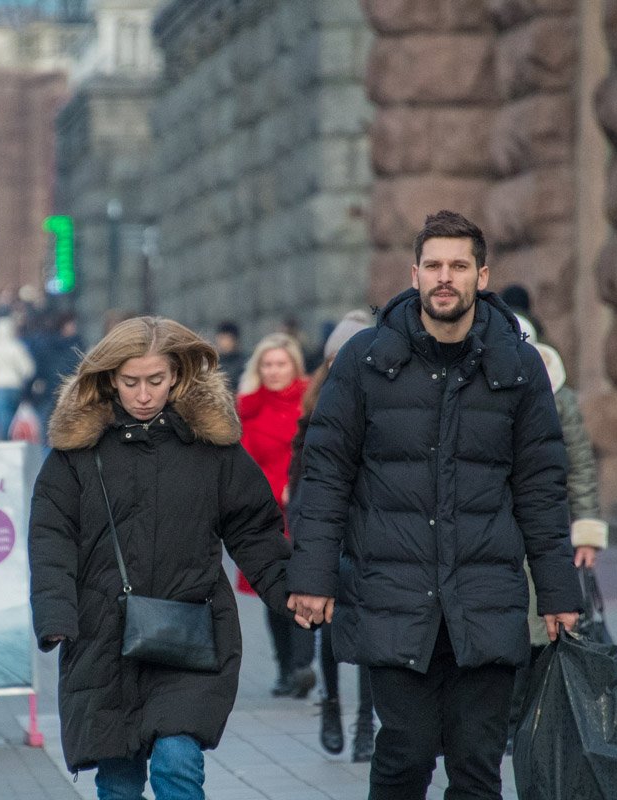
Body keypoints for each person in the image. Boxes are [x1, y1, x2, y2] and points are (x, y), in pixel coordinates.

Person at [287, 210, 582, 800]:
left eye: (459, 266)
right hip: (394, 591)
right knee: (405, 756)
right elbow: (324, 478)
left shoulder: (518, 367)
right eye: (434, 265)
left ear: (482, 275)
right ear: (414, 274)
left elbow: (542, 489)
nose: (445, 277)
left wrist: (557, 593)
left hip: (486, 593)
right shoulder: (366, 360)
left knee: (476, 767)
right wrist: (314, 577)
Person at [29, 316, 293, 800]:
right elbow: (51, 537)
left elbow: (254, 527)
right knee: (120, 780)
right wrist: (55, 613)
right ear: (110, 378)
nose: (144, 394)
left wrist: (292, 594)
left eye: (155, 380)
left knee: (177, 761)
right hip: (102, 637)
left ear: (176, 376)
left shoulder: (211, 449)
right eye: (131, 382)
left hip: (189, 629)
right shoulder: (77, 453)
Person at [501, 298, 609, 749]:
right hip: (497, 522)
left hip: (543, 521)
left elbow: (580, 463)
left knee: (540, 623)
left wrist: (586, 527)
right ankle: (508, 718)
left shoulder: (558, 392)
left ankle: (525, 716)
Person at [285, 309, 377, 761]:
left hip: (371, 535)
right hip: (328, 535)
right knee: (329, 630)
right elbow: (300, 483)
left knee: (368, 632)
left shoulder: (385, 403)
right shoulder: (315, 409)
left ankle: (365, 724)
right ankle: (332, 707)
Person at [234, 333, 314, 698]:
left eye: (281, 363)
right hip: (264, 514)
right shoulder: (248, 408)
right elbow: (242, 463)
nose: (274, 371)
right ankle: (285, 668)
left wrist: (297, 488)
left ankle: (302, 666)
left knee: (305, 584)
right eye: (267, 364)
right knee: (274, 590)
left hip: (305, 510)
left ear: (294, 366)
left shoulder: (311, 402)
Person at [0, 314, 35, 439]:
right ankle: (10, 437)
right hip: (15, 384)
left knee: (1, 415)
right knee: (12, 415)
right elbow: (28, 369)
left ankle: (4, 439)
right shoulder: (17, 346)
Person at [213, 321, 245, 394]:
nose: (223, 342)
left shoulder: (244, 363)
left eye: (226, 338)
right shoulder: (214, 363)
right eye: (221, 338)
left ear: (234, 340)